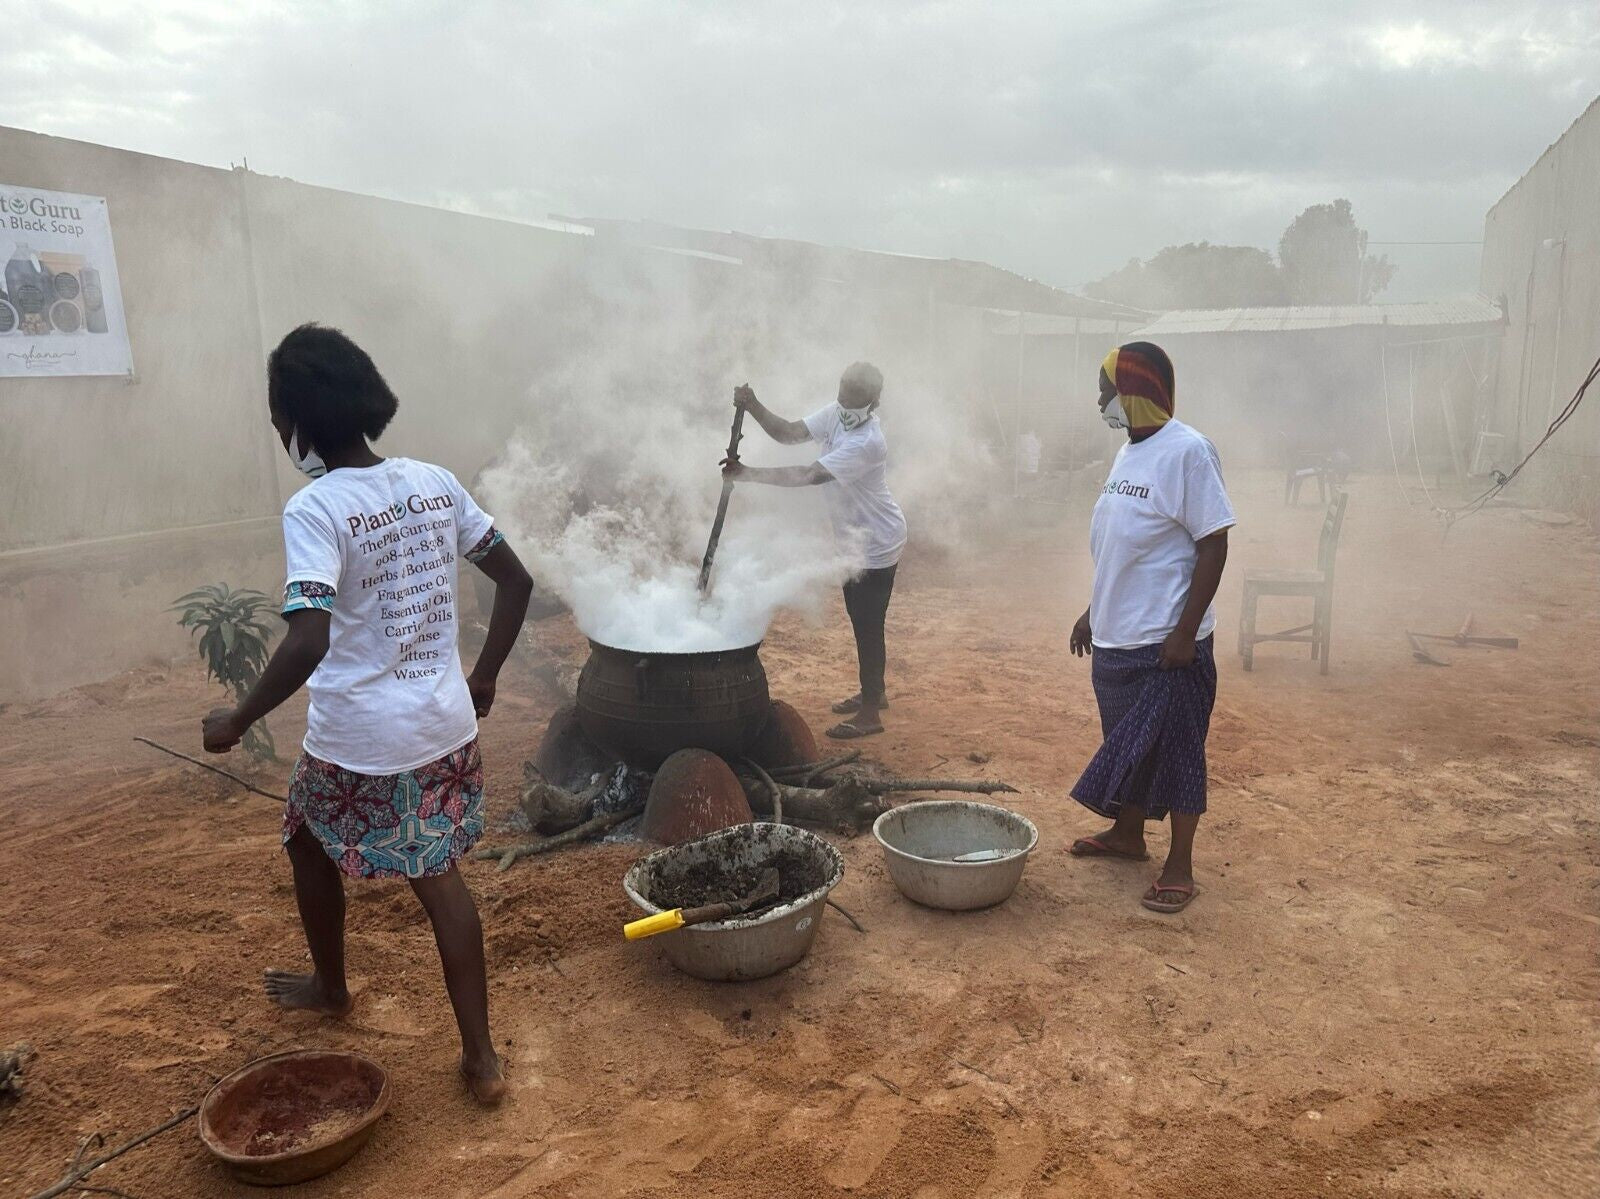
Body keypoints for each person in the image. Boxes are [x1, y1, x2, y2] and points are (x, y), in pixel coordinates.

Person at [200, 323, 533, 1104]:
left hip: (363, 742)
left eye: (277, 417)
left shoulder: (316, 509)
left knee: (314, 841)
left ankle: (337, 988)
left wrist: (238, 718)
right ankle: (477, 1058)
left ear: (301, 421)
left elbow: (308, 636)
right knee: (421, 874)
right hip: (444, 725)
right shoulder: (434, 482)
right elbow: (516, 582)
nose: (280, 432)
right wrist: (480, 678)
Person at [1067, 342, 1234, 915]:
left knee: (1179, 754)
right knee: (1129, 747)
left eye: (1104, 388)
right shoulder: (1128, 451)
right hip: (1116, 637)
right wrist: (1095, 609)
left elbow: (1213, 541)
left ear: (1133, 392)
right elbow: (1121, 544)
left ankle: (1179, 865)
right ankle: (1128, 835)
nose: (1098, 401)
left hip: (1166, 644)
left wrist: (1186, 633)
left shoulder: (1188, 452)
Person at [721, 362, 906, 739]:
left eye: (852, 394)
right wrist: (754, 404)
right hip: (857, 540)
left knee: (868, 624)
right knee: (863, 620)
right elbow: (789, 434)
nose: (843, 399)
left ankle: (871, 712)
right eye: (841, 389)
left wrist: (748, 474)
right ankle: (876, 693)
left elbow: (809, 475)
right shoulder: (838, 415)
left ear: (871, 400)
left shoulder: (868, 441)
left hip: (877, 543)